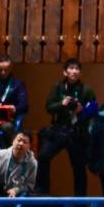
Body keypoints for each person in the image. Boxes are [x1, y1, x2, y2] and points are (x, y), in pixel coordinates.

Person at [39, 58, 97, 196]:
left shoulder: (87, 90)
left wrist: (81, 111)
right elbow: (48, 107)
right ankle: (42, 191)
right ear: (65, 72)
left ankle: (80, 200)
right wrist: (62, 104)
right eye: (71, 68)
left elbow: (94, 111)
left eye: (77, 69)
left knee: (79, 167)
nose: (74, 71)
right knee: (43, 156)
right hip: (59, 130)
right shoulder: (58, 87)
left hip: (77, 132)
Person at [0, 131, 38, 198]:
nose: (21, 144)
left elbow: (29, 185)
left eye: (25, 142)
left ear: (29, 146)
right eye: (19, 140)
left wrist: (16, 190)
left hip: (17, 195)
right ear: (13, 141)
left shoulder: (32, 163)